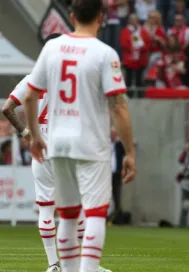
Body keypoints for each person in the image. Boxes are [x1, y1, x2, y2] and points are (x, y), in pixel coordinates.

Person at [23, 0, 136, 271]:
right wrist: (130, 152)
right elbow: (119, 107)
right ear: (100, 17)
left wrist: (35, 136)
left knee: (68, 215)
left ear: (71, 17)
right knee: (95, 213)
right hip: (90, 143)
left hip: (58, 144)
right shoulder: (104, 53)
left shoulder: (51, 49)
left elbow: (29, 96)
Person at [2, 33, 111, 272]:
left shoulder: (32, 80)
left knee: (46, 207)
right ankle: (88, 266)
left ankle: (53, 265)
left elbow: (7, 108)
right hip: (67, 151)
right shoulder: (73, 80)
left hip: (40, 153)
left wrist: (26, 134)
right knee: (80, 207)